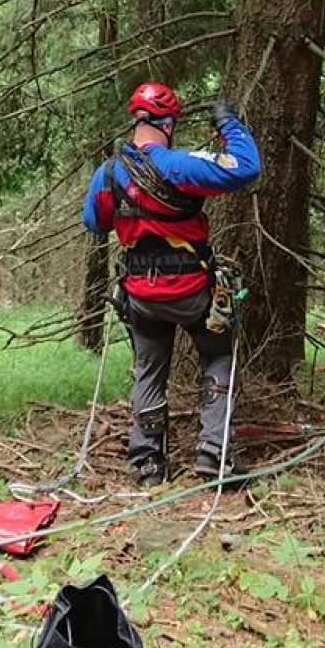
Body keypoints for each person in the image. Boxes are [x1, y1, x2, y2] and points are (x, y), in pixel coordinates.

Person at [82, 82, 261, 486]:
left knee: (148, 369)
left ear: (136, 122)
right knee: (217, 358)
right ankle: (214, 455)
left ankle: (147, 463)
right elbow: (246, 167)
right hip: (192, 293)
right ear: (169, 123)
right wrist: (229, 124)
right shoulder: (181, 166)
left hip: (140, 296)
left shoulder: (108, 173)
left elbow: (94, 222)